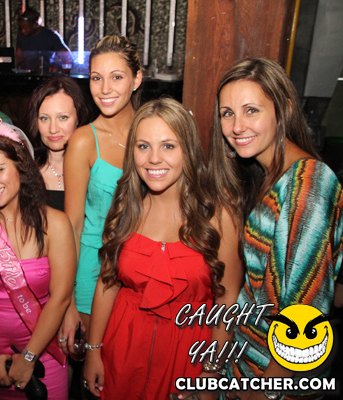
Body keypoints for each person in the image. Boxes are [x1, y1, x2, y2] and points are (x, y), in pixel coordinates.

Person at [82, 98, 242, 399]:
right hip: (123, 351)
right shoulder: (125, 209)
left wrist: (212, 372)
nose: (154, 159)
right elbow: (107, 283)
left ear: (188, 150)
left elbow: (227, 298)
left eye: (168, 146)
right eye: (143, 146)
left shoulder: (219, 217)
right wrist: (93, 350)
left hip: (189, 355)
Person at [209, 58, 343, 400]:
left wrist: (263, 392)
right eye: (227, 113)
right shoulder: (268, 175)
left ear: (283, 110)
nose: (237, 126)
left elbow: (306, 314)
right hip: (247, 363)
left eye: (251, 110)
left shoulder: (309, 184)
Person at [0, 118, 76, 399]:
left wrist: (29, 357)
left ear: (21, 166)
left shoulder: (56, 224)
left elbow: (60, 298)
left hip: (42, 354)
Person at [61, 35, 143, 353]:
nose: (105, 89)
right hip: (93, 273)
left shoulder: (153, 132)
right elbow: (72, 226)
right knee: (96, 366)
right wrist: (67, 301)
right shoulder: (83, 141)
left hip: (143, 272)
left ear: (137, 79)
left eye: (116, 77)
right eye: (96, 78)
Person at [26, 76, 90, 211]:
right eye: (45, 118)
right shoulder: (25, 171)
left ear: (78, 119)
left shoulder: (95, 172)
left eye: (63, 117)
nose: (53, 129)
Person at [16, 8, 71, 72]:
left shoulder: (50, 35)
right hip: (27, 73)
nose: (23, 31)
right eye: (21, 28)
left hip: (46, 74)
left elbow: (66, 56)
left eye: (26, 28)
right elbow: (18, 57)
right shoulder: (21, 36)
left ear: (35, 24)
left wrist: (63, 71)